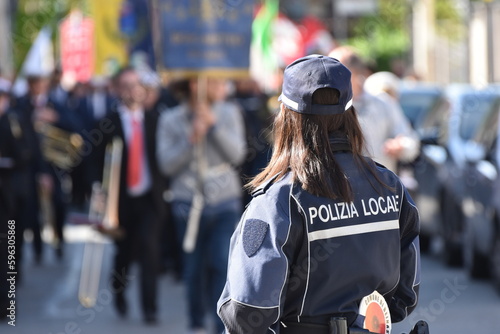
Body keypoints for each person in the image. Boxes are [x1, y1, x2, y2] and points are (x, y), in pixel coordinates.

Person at [217, 55, 420, 333]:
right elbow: (406, 296)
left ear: (287, 117)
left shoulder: (280, 198)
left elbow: (247, 311)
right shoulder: (389, 185)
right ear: (351, 114)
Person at [156, 77, 246, 334]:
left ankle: (220, 326)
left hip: (224, 201)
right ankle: (196, 322)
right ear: (197, 86)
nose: (224, 86)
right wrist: (191, 138)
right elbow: (166, 165)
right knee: (194, 267)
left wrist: (214, 127)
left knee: (221, 262)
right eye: (216, 82)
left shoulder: (229, 112)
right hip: (187, 202)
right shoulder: (170, 119)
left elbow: (237, 154)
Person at [92, 67, 165, 324]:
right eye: (126, 85)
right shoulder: (107, 122)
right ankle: (119, 294)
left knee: (149, 252)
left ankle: (150, 308)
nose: (132, 90)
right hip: (120, 202)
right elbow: (95, 162)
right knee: (124, 254)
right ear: (117, 89)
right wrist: (98, 193)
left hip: (148, 199)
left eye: (136, 85)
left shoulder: (156, 118)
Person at [329, 47, 419, 173]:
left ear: (352, 73)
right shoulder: (328, 107)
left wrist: (401, 146)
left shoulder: (383, 103)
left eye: (333, 73)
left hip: (380, 187)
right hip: (341, 187)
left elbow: (411, 142)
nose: (328, 79)